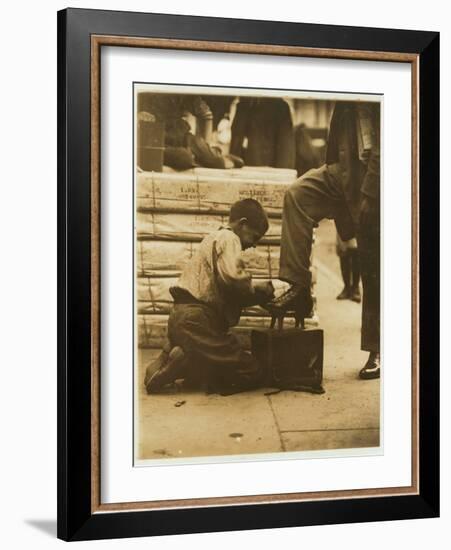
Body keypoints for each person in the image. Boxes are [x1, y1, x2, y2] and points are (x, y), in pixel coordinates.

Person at [267, 101, 380, 380]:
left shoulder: (385, 89)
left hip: (377, 179)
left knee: (374, 268)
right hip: (342, 172)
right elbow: (336, 144)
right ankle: (299, 286)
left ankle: (376, 350)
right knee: (298, 195)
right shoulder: (346, 98)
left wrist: (371, 192)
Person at [144, 199, 275, 395]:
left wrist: (254, 296)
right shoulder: (229, 238)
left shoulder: (212, 238)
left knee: (207, 356)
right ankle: (185, 363)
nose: (253, 245)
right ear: (243, 223)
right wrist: (258, 290)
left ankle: (172, 359)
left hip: (180, 317)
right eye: (254, 237)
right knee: (253, 369)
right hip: (197, 320)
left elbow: (224, 289)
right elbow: (233, 279)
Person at [336, 234, 361, 303]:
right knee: (343, 252)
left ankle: (355, 288)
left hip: (356, 226)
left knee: (356, 252)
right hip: (343, 225)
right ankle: (346, 288)